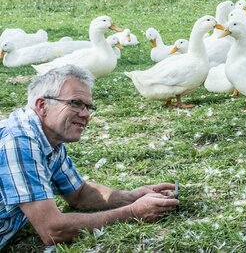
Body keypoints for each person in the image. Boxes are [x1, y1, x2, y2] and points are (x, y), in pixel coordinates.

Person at [0, 65, 179, 247]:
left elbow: (79, 194)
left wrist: (132, 197)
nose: (86, 114)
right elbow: (52, 230)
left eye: (88, 106)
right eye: (75, 103)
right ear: (42, 106)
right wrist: (132, 213)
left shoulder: (49, 137)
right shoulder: (19, 140)